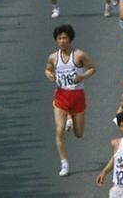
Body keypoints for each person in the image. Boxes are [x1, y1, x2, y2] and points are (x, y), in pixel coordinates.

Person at [44, 25, 97, 176]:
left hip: (77, 96)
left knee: (79, 134)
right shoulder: (53, 57)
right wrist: (49, 75)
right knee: (59, 130)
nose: (62, 41)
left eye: (65, 38)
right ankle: (64, 163)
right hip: (61, 96)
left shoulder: (79, 55)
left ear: (70, 39)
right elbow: (47, 69)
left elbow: (92, 68)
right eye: (59, 38)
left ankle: (71, 119)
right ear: (56, 40)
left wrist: (82, 76)